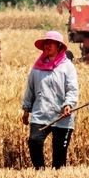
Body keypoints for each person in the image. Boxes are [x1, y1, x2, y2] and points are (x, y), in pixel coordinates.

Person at [21, 30, 79, 169]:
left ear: (59, 46)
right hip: (41, 113)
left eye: (51, 43)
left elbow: (72, 89)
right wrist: (26, 109)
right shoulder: (37, 68)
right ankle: (39, 171)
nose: (47, 46)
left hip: (62, 115)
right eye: (46, 43)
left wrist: (68, 105)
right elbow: (30, 89)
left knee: (59, 154)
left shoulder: (67, 67)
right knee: (34, 141)